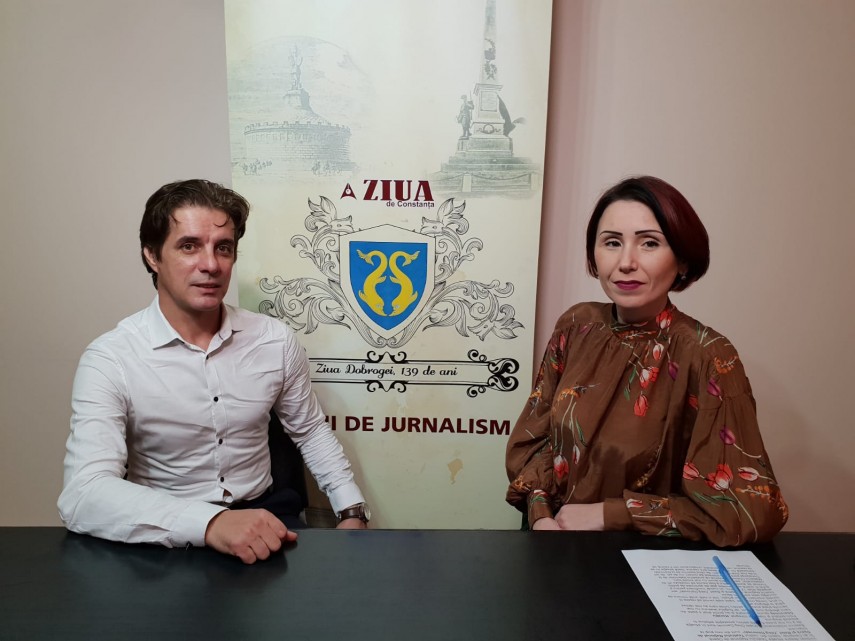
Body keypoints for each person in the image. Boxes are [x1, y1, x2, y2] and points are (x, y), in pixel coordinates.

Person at [59, 179, 370, 565]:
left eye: (223, 248)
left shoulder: (273, 339)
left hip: (268, 517)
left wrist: (351, 510)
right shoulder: (111, 358)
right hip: (160, 532)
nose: (211, 265)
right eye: (189, 246)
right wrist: (211, 522)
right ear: (152, 256)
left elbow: (309, 430)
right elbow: (83, 494)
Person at [505, 176, 787, 547]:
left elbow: (747, 510)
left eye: (649, 243)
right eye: (612, 242)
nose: (626, 263)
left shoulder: (707, 355)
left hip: (642, 562)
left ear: (682, 259)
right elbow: (536, 442)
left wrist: (610, 514)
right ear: (593, 255)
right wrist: (542, 516)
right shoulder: (576, 326)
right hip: (552, 546)